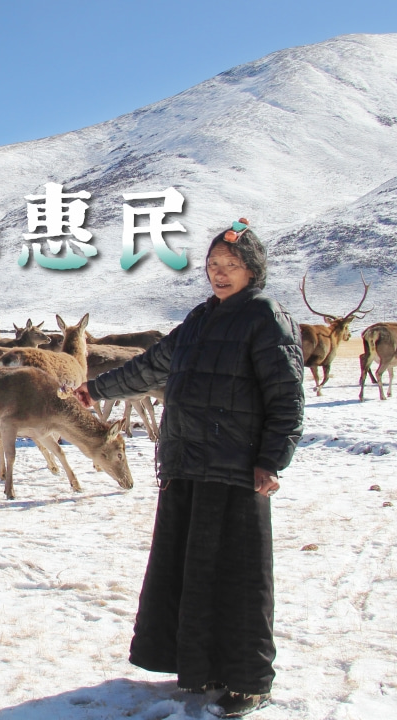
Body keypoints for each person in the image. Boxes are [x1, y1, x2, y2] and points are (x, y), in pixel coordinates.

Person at [73, 219, 305, 718]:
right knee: (193, 572)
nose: (219, 273)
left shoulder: (266, 318)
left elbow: (287, 396)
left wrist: (271, 460)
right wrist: (97, 388)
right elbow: (151, 365)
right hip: (188, 464)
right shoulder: (200, 319)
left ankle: (250, 680)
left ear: (252, 270)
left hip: (236, 468)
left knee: (240, 577)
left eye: (231, 265)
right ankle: (204, 669)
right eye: (213, 264)